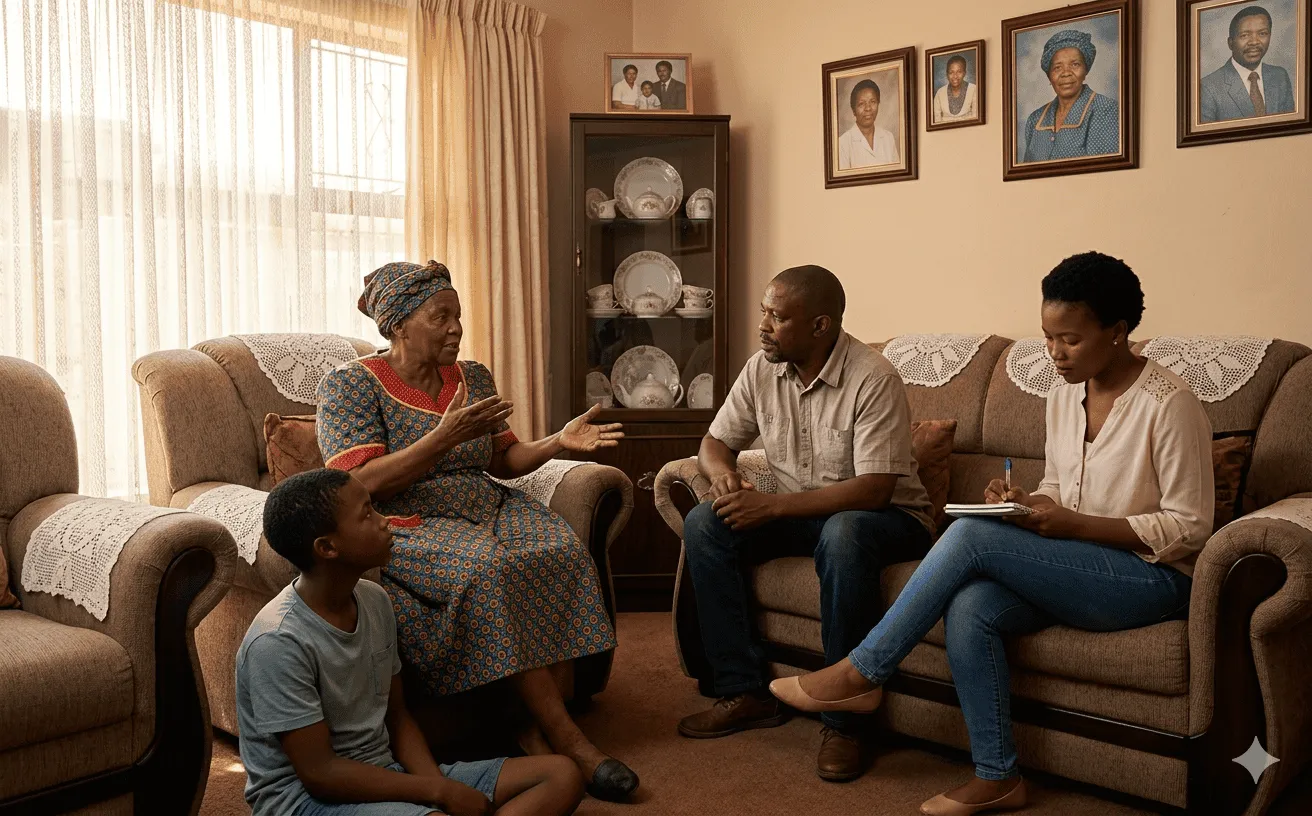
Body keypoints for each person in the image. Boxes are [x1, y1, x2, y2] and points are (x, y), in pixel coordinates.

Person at [770, 252, 1213, 816]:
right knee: (972, 605)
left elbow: (1190, 527)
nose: (1055, 353)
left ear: (1118, 331)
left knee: (971, 537)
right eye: (1048, 337)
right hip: (1077, 563)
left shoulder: (1170, 405)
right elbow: (1059, 487)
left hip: (1152, 580)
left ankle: (863, 671)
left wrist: (1072, 524)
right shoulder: (1064, 395)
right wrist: (1028, 504)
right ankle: (998, 776)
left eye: (1070, 340)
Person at [316, 260, 639, 802]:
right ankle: (566, 741)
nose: (456, 329)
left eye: (458, 316)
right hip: (409, 518)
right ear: (398, 325)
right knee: (488, 568)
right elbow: (359, 483)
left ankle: (531, 722)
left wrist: (557, 441)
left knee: (560, 549)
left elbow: (502, 459)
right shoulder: (350, 385)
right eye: (440, 317)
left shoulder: (473, 376)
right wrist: (440, 439)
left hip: (486, 502)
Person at [676, 265, 935, 782]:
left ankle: (845, 722)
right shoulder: (761, 369)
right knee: (707, 522)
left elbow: (874, 490)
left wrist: (771, 508)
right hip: (808, 515)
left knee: (845, 532)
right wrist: (724, 475)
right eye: (764, 312)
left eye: (777, 317)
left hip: (889, 520)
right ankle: (744, 691)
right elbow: (714, 442)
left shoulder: (873, 377)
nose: (763, 326)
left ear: (820, 326)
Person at [238, 469, 586, 816]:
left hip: (386, 772)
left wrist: (439, 792)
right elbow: (320, 773)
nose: (385, 521)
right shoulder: (278, 641)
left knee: (561, 775)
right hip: (304, 802)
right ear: (327, 547)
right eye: (367, 514)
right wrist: (438, 791)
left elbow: (398, 717)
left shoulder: (374, 599)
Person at [1021, 30, 1119, 163]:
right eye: (1057, 67)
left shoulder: (1107, 110)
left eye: (1075, 65)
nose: (1066, 73)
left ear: (1085, 70)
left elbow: (1104, 169)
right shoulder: (1035, 120)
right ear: (1049, 76)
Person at [1200, 5, 1295, 123]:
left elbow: (1291, 127)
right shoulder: (1207, 87)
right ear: (1230, 43)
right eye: (1244, 35)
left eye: (1262, 33)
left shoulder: (1280, 76)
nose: (1254, 42)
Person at [837, 79, 899, 170]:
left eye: (872, 102)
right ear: (854, 110)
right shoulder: (842, 144)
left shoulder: (888, 138)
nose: (868, 108)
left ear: (878, 104)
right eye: (861, 104)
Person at [933, 54, 979, 123]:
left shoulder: (974, 90)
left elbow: (976, 119)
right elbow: (936, 120)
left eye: (959, 72)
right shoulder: (940, 93)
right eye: (951, 72)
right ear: (947, 74)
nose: (955, 76)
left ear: (964, 73)